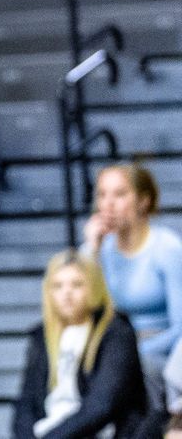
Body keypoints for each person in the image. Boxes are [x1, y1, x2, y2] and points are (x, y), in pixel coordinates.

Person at [13, 250, 148, 438]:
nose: (66, 293)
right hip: (49, 430)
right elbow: (26, 403)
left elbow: (102, 405)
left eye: (76, 285)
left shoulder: (116, 332)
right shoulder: (41, 336)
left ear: (93, 287)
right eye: (58, 286)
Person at [84, 162, 182, 410]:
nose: (108, 204)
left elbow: (181, 326)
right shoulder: (103, 248)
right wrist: (90, 249)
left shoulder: (167, 248)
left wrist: (134, 350)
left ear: (143, 201)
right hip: (120, 346)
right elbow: (80, 307)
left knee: (135, 367)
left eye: (119, 194)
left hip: (163, 351)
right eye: (102, 194)